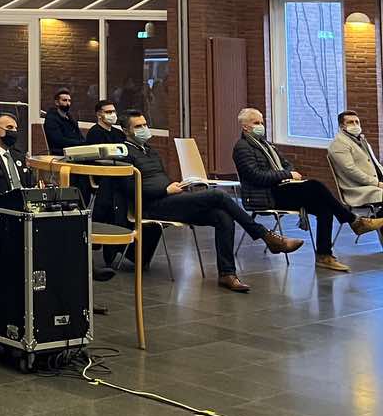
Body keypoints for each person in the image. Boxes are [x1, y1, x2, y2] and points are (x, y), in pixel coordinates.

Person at [120, 110, 301, 291]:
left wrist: (174, 185)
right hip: (151, 205)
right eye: (138, 126)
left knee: (222, 216)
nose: (144, 129)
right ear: (126, 131)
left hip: (170, 198)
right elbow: (127, 188)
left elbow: (158, 178)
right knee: (218, 195)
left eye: (145, 125)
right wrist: (165, 189)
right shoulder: (123, 153)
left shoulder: (150, 151)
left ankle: (227, 274)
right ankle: (265, 235)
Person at [233, 108, 382, 272]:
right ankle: (354, 221)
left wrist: (286, 173)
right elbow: (256, 176)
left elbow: (287, 164)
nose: (261, 126)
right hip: (265, 195)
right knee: (314, 185)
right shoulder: (242, 148)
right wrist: (286, 175)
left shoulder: (267, 145)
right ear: (245, 126)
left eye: (262, 122)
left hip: (281, 188)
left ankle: (324, 255)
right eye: (256, 123)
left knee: (324, 207)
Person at [328, 110, 383, 212]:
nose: (355, 125)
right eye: (350, 122)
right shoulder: (339, 144)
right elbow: (350, 170)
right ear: (341, 126)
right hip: (358, 189)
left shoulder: (361, 140)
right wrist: (376, 183)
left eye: (357, 122)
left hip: (374, 183)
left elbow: (376, 164)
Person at [43, 88, 82, 154]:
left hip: (74, 149)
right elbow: (58, 140)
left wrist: (85, 143)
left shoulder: (71, 118)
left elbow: (79, 135)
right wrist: (79, 143)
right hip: (60, 152)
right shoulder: (51, 119)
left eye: (69, 101)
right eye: (64, 100)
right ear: (57, 102)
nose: (68, 103)